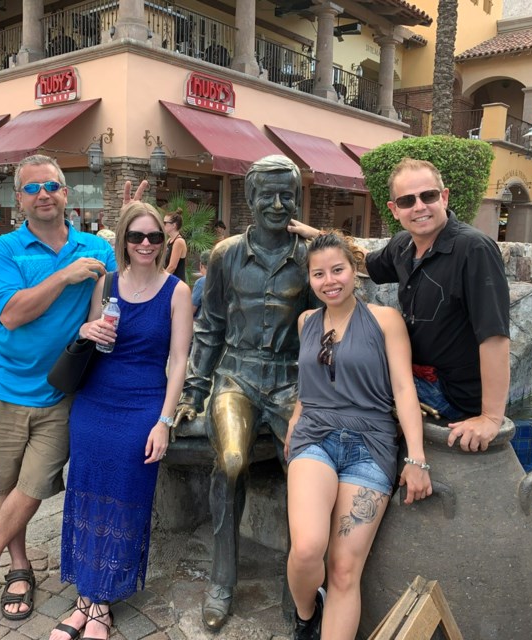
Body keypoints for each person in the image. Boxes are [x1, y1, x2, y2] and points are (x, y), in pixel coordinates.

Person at [0, 154, 117, 621]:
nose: (43, 194)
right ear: (19, 199)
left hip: (61, 391)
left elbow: (102, 310)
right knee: (5, 482)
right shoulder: (6, 249)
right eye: (32, 188)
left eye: (52, 185)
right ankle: (19, 565)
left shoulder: (97, 250)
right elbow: (11, 313)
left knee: (33, 483)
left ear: (66, 193)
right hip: (6, 387)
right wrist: (64, 275)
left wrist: (100, 327)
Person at [174, 155, 312, 631]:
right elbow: (209, 326)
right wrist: (194, 390)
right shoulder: (226, 254)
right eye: (267, 195)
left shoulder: (311, 256)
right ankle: (222, 581)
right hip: (235, 376)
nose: (278, 204)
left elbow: (327, 326)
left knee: (306, 470)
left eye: (287, 195)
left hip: (291, 380)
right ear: (250, 200)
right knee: (231, 462)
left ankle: (298, 590)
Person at [290, 157, 510, 452]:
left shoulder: (474, 249)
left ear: (443, 197)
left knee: (345, 376)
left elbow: (494, 335)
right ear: (395, 210)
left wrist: (491, 418)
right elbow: (362, 261)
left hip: (449, 392)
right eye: (407, 201)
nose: (419, 207)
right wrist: (317, 237)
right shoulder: (403, 246)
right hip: (416, 374)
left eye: (428, 196)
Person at [51, 201, 193, 640]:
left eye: (154, 236)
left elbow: (180, 359)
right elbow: (92, 334)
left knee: (127, 499)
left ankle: (103, 604)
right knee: (86, 493)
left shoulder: (177, 292)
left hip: (142, 407)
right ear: (124, 241)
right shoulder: (106, 284)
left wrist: (164, 422)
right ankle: (84, 598)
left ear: (164, 240)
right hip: (95, 402)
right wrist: (86, 331)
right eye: (137, 237)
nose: (146, 244)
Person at [284, 230, 431, 640]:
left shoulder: (385, 320)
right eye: (319, 274)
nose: (329, 280)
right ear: (310, 280)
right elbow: (310, 382)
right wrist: (296, 418)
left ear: (354, 270)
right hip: (315, 438)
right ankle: (306, 612)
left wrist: (416, 458)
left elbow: (404, 389)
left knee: (346, 569)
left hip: (371, 444)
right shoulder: (306, 322)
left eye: (337, 270)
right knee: (309, 548)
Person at [163, 210, 188, 280]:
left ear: (174, 225)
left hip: (176, 282)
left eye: (165, 223)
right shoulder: (169, 240)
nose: (163, 225)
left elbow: (172, 267)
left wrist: (160, 280)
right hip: (170, 278)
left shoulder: (178, 242)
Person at [191, 249, 210, 317]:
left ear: (201, 265)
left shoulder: (201, 282)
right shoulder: (226, 279)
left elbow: (191, 310)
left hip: (203, 324)